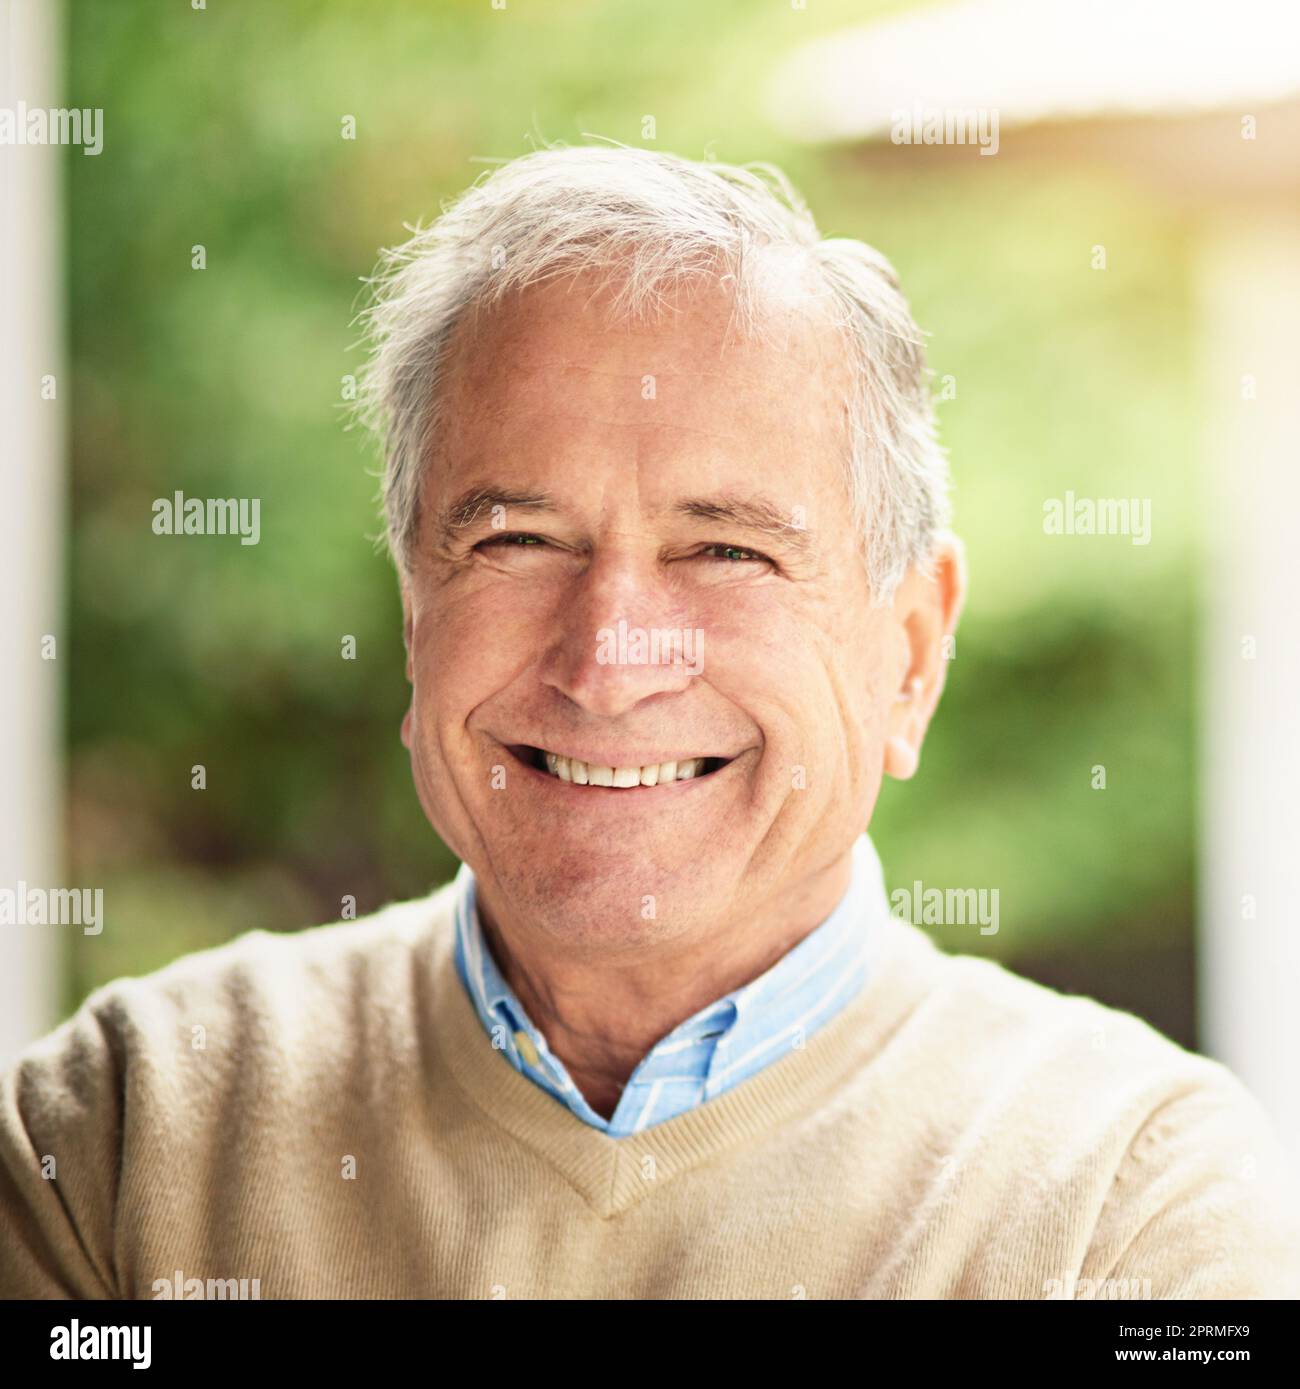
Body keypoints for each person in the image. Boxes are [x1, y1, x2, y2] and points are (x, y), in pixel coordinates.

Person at [3, 146, 1297, 1299]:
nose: (612, 660)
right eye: (515, 539)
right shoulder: (124, 1134)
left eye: (726, 549)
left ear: (909, 652)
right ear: (415, 620)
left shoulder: (1134, 1207)